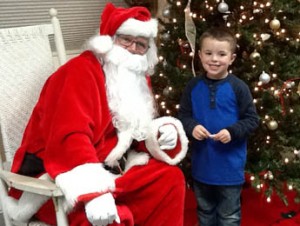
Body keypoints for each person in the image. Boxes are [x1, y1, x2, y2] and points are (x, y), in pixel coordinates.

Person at [4, 3, 189, 226]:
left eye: (141, 44)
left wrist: (159, 135)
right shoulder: (77, 72)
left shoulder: (135, 75)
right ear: (109, 39)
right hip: (58, 177)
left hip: (110, 168)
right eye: (126, 39)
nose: (132, 48)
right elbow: (68, 139)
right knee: (112, 218)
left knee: (170, 180)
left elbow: (135, 132)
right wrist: (92, 194)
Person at [178, 27, 259, 226]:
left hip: (230, 168)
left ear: (231, 58)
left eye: (221, 54)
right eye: (208, 53)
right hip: (202, 166)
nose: (214, 59)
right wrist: (192, 127)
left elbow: (252, 119)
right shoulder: (192, 86)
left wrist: (232, 131)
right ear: (199, 55)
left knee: (229, 215)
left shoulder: (239, 87)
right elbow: (184, 116)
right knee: (205, 212)